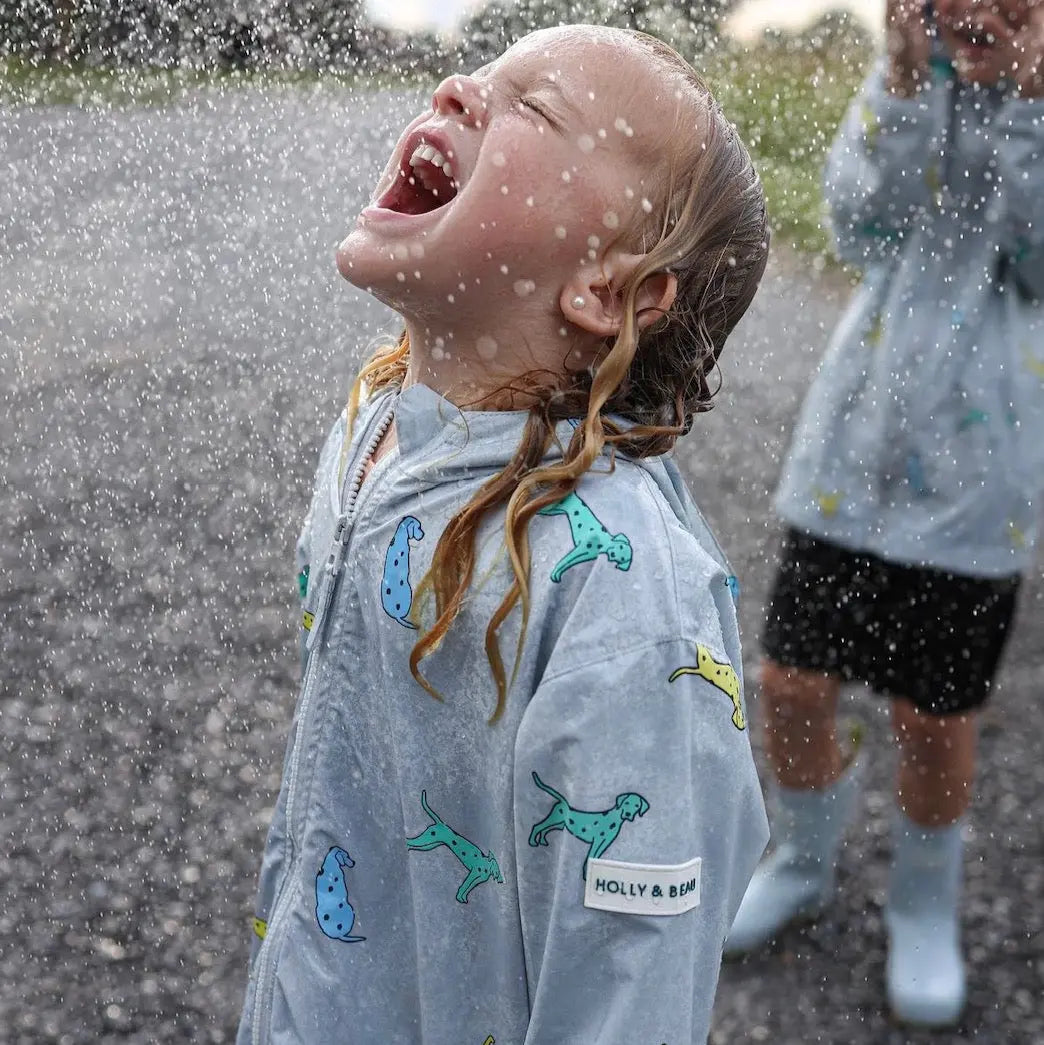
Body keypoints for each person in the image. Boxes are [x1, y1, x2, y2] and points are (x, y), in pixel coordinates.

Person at [235, 24, 771, 1045]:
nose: (458, 90)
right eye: (479, 71)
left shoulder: (628, 604)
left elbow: (631, 986)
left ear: (610, 289)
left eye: (534, 106)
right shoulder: (382, 424)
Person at [725, 0, 1044, 1030]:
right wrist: (905, 86)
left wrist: (1031, 111)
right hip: (850, 463)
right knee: (790, 678)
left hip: (978, 482)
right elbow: (861, 227)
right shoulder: (911, 86)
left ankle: (922, 900)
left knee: (933, 713)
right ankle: (803, 854)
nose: (984, 18)